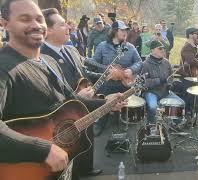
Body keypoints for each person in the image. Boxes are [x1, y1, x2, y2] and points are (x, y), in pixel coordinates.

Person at [0, 1, 124, 179]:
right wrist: (44, 150)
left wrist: (106, 103)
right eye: (25, 19)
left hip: (62, 168)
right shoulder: (3, 67)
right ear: (4, 23)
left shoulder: (48, 62)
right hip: (24, 170)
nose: (36, 25)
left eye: (39, 19)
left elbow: (71, 99)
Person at [142, 40, 183, 124]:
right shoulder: (145, 64)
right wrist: (159, 80)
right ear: (152, 50)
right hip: (151, 92)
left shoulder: (166, 62)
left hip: (165, 91)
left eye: (163, 48)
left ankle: (175, 124)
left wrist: (170, 84)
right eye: (160, 48)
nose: (163, 50)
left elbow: (171, 77)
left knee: (181, 103)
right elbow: (144, 82)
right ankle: (151, 124)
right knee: (153, 107)